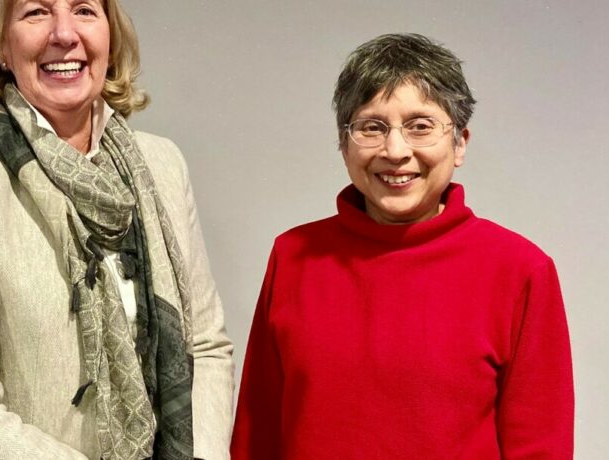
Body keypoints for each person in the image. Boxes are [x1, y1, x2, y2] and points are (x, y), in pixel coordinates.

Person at [0, 0, 233, 459]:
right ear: (1, 45)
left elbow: (206, 347)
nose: (64, 33)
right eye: (36, 11)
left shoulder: (162, 165)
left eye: (84, 10)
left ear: (110, 37)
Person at [231, 33, 573, 459]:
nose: (395, 151)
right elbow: (256, 436)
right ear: (344, 144)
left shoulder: (520, 269)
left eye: (420, 127)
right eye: (372, 127)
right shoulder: (293, 255)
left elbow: (541, 448)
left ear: (460, 143)